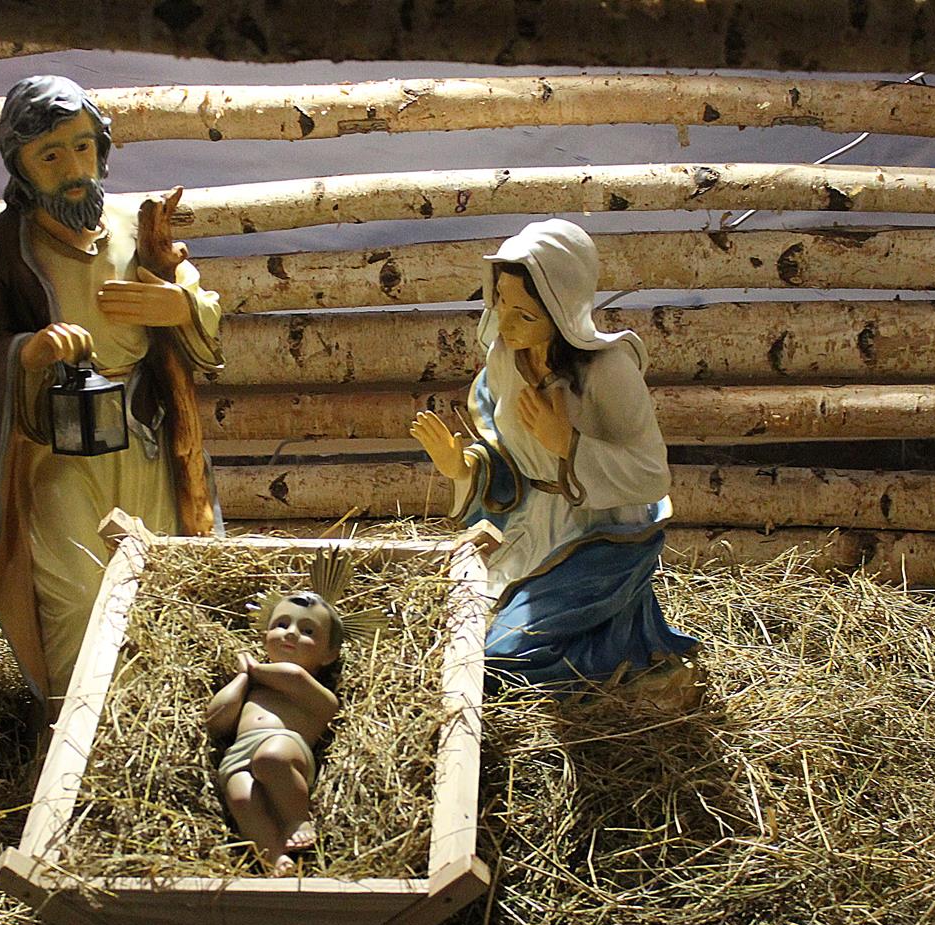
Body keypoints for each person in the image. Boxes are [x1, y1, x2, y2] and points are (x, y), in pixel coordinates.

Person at [0, 76, 223, 725]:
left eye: (81, 147)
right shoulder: (3, 248)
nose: (73, 169)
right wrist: (28, 353)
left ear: (101, 146)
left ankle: (157, 722)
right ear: (20, 165)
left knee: (156, 575)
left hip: (143, 438)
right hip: (60, 451)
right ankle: (74, 734)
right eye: (50, 155)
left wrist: (180, 307)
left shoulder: (136, 228)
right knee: (74, 594)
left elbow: (207, 320)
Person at [409, 218, 698, 688]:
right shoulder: (505, 358)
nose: (504, 324)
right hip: (532, 525)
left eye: (524, 315)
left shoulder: (608, 370)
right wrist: (463, 467)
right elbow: (508, 458)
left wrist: (568, 445)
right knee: (459, 634)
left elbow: (651, 475)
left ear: (563, 311)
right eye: (501, 303)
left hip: (598, 538)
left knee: (503, 660)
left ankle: (617, 670)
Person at [204, 550, 386, 875]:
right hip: (238, 753)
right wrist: (242, 678)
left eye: (308, 631)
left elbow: (295, 677)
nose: (290, 633)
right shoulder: (253, 685)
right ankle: (274, 857)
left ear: (329, 655)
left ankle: (297, 819)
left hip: (285, 747)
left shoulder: (315, 693)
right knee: (242, 799)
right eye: (282, 624)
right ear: (265, 637)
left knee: (271, 758)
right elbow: (216, 719)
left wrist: (253, 668)